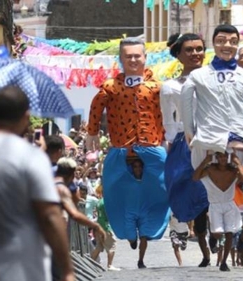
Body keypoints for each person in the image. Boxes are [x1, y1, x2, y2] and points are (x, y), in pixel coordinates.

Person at [0, 85, 74, 281]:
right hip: (22, 266)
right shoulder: (30, 157)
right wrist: (66, 271)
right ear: (25, 116)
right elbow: (49, 215)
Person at [86, 37, 170, 269]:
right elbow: (96, 106)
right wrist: (91, 132)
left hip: (152, 147)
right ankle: (126, 230)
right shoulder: (111, 87)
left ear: (145, 58)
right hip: (121, 148)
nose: (133, 60)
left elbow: (171, 111)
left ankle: (148, 230)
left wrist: (171, 136)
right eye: (128, 56)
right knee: (114, 188)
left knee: (162, 188)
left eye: (137, 55)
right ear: (121, 59)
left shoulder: (158, 87)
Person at [180, 24, 243, 169]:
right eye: (221, 41)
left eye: (233, 42)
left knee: (233, 181)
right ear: (213, 43)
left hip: (237, 137)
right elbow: (185, 102)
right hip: (207, 137)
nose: (227, 45)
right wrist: (188, 129)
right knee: (206, 183)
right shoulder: (198, 75)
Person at [161, 32, 211, 267]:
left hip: (213, 138)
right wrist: (172, 144)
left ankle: (218, 237)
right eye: (189, 50)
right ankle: (185, 226)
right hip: (184, 141)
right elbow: (168, 120)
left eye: (199, 49)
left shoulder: (215, 79)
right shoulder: (170, 86)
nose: (195, 54)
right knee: (183, 183)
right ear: (178, 54)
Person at [193, 151, 243, 271]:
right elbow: (195, 177)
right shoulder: (211, 169)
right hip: (215, 204)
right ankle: (213, 237)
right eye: (220, 156)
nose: (223, 158)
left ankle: (224, 262)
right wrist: (205, 161)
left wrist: (237, 162)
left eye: (225, 156)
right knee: (217, 233)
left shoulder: (233, 170)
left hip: (229, 203)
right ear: (217, 158)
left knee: (229, 233)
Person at [91, 185, 121, 271]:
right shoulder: (107, 202)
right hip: (105, 227)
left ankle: (91, 263)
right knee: (112, 245)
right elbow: (109, 216)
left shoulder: (99, 202)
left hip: (99, 226)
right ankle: (110, 265)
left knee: (98, 247)